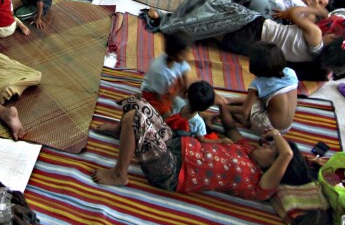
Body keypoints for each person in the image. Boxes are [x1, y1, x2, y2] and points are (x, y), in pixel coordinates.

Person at [91, 92, 309, 193]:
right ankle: (122, 132)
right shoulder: (246, 148)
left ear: (275, 167)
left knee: (136, 119)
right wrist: (222, 106)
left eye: (270, 150)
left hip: (172, 171)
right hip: (176, 144)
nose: (263, 144)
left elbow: (287, 155)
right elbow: (231, 128)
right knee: (137, 102)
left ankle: (120, 174)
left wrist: (277, 135)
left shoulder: (261, 182)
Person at [228, 42, 298, 134]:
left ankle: (244, 119)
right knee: (262, 96)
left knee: (251, 101)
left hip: (269, 128)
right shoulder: (291, 73)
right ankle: (228, 100)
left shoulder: (258, 84)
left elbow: (244, 112)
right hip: (286, 127)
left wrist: (226, 108)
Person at [139, 30, 193, 116]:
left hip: (169, 86)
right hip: (153, 94)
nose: (187, 56)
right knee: (168, 116)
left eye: (188, 52)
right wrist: (171, 101)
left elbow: (184, 75)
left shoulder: (179, 60)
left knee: (194, 85)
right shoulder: (160, 72)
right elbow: (159, 97)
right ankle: (141, 99)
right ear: (174, 54)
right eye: (184, 54)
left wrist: (185, 90)